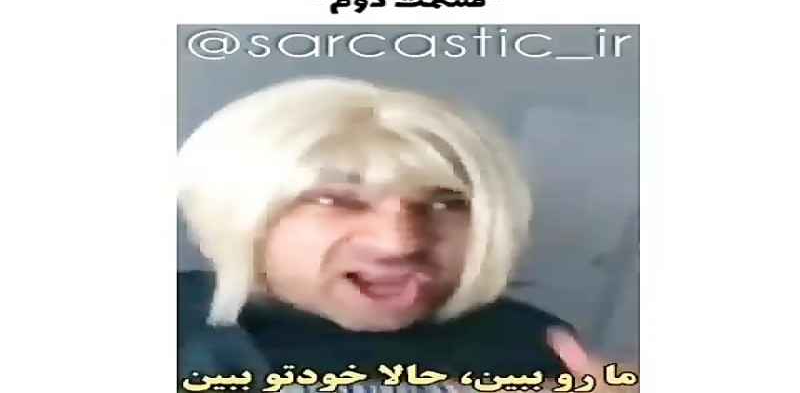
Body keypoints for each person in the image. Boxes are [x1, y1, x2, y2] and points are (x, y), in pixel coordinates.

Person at [177, 77, 637, 392]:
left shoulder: (534, 344)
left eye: (445, 202)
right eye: (337, 200)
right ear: (238, 214)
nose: (401, 243)